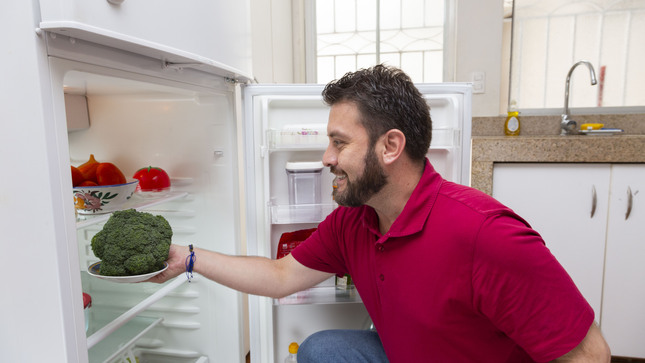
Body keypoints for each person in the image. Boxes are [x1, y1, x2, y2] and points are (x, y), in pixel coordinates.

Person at [149, 65, 611, 362]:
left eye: (339, 142)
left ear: (391, 146)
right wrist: (188, 257)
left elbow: (591, 354)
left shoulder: (485, 235)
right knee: (322, 350)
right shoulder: (357, 219)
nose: (326, 157)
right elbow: (280, 275)